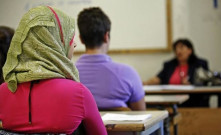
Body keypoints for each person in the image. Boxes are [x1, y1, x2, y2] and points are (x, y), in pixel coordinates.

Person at [0, 6, 107, 135]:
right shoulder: (79, 93)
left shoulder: (3, 92)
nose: (74, 44)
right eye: (69, 38)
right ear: (53, 44)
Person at [76, 7, 146, 110]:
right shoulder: (129, 73)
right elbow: (141, 114)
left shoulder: (67, 75)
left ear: (81, 39)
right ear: (106, 36)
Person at [143, 39, 210, 107]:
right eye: (176, 49)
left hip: (192, 99)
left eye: (181, 47)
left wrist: (191, 83)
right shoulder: (169, 64)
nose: (178, 51)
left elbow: (204, 81)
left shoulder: (199, 64)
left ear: (190, 50)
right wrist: (147, 82)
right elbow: (159, 77)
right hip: (171, 99)